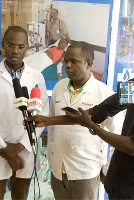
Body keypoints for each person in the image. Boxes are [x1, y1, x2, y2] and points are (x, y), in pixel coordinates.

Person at [27, 35, 134, 199]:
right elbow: (97, 113)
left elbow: (131, 146)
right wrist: (48, 120)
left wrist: (92, 127)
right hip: (115, 179)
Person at [0, 26, 49, 200]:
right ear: (3, 45)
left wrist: (19, 147)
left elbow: (42, 115)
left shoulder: (36, 77)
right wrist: (5, 148)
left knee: (19, 196)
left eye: (21, 46)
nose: (15, 51)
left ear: (27, 48)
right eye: (11, 45)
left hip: (24, 149)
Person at [47, 41, 124, 199]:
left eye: (74, 61)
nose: (68, 65)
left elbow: (120, 136)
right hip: (57, 171)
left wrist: (107, 170)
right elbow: (53, 126)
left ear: (89, 64)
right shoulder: (59, 87)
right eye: (66, 60)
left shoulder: (104, 93)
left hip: (85, 173)